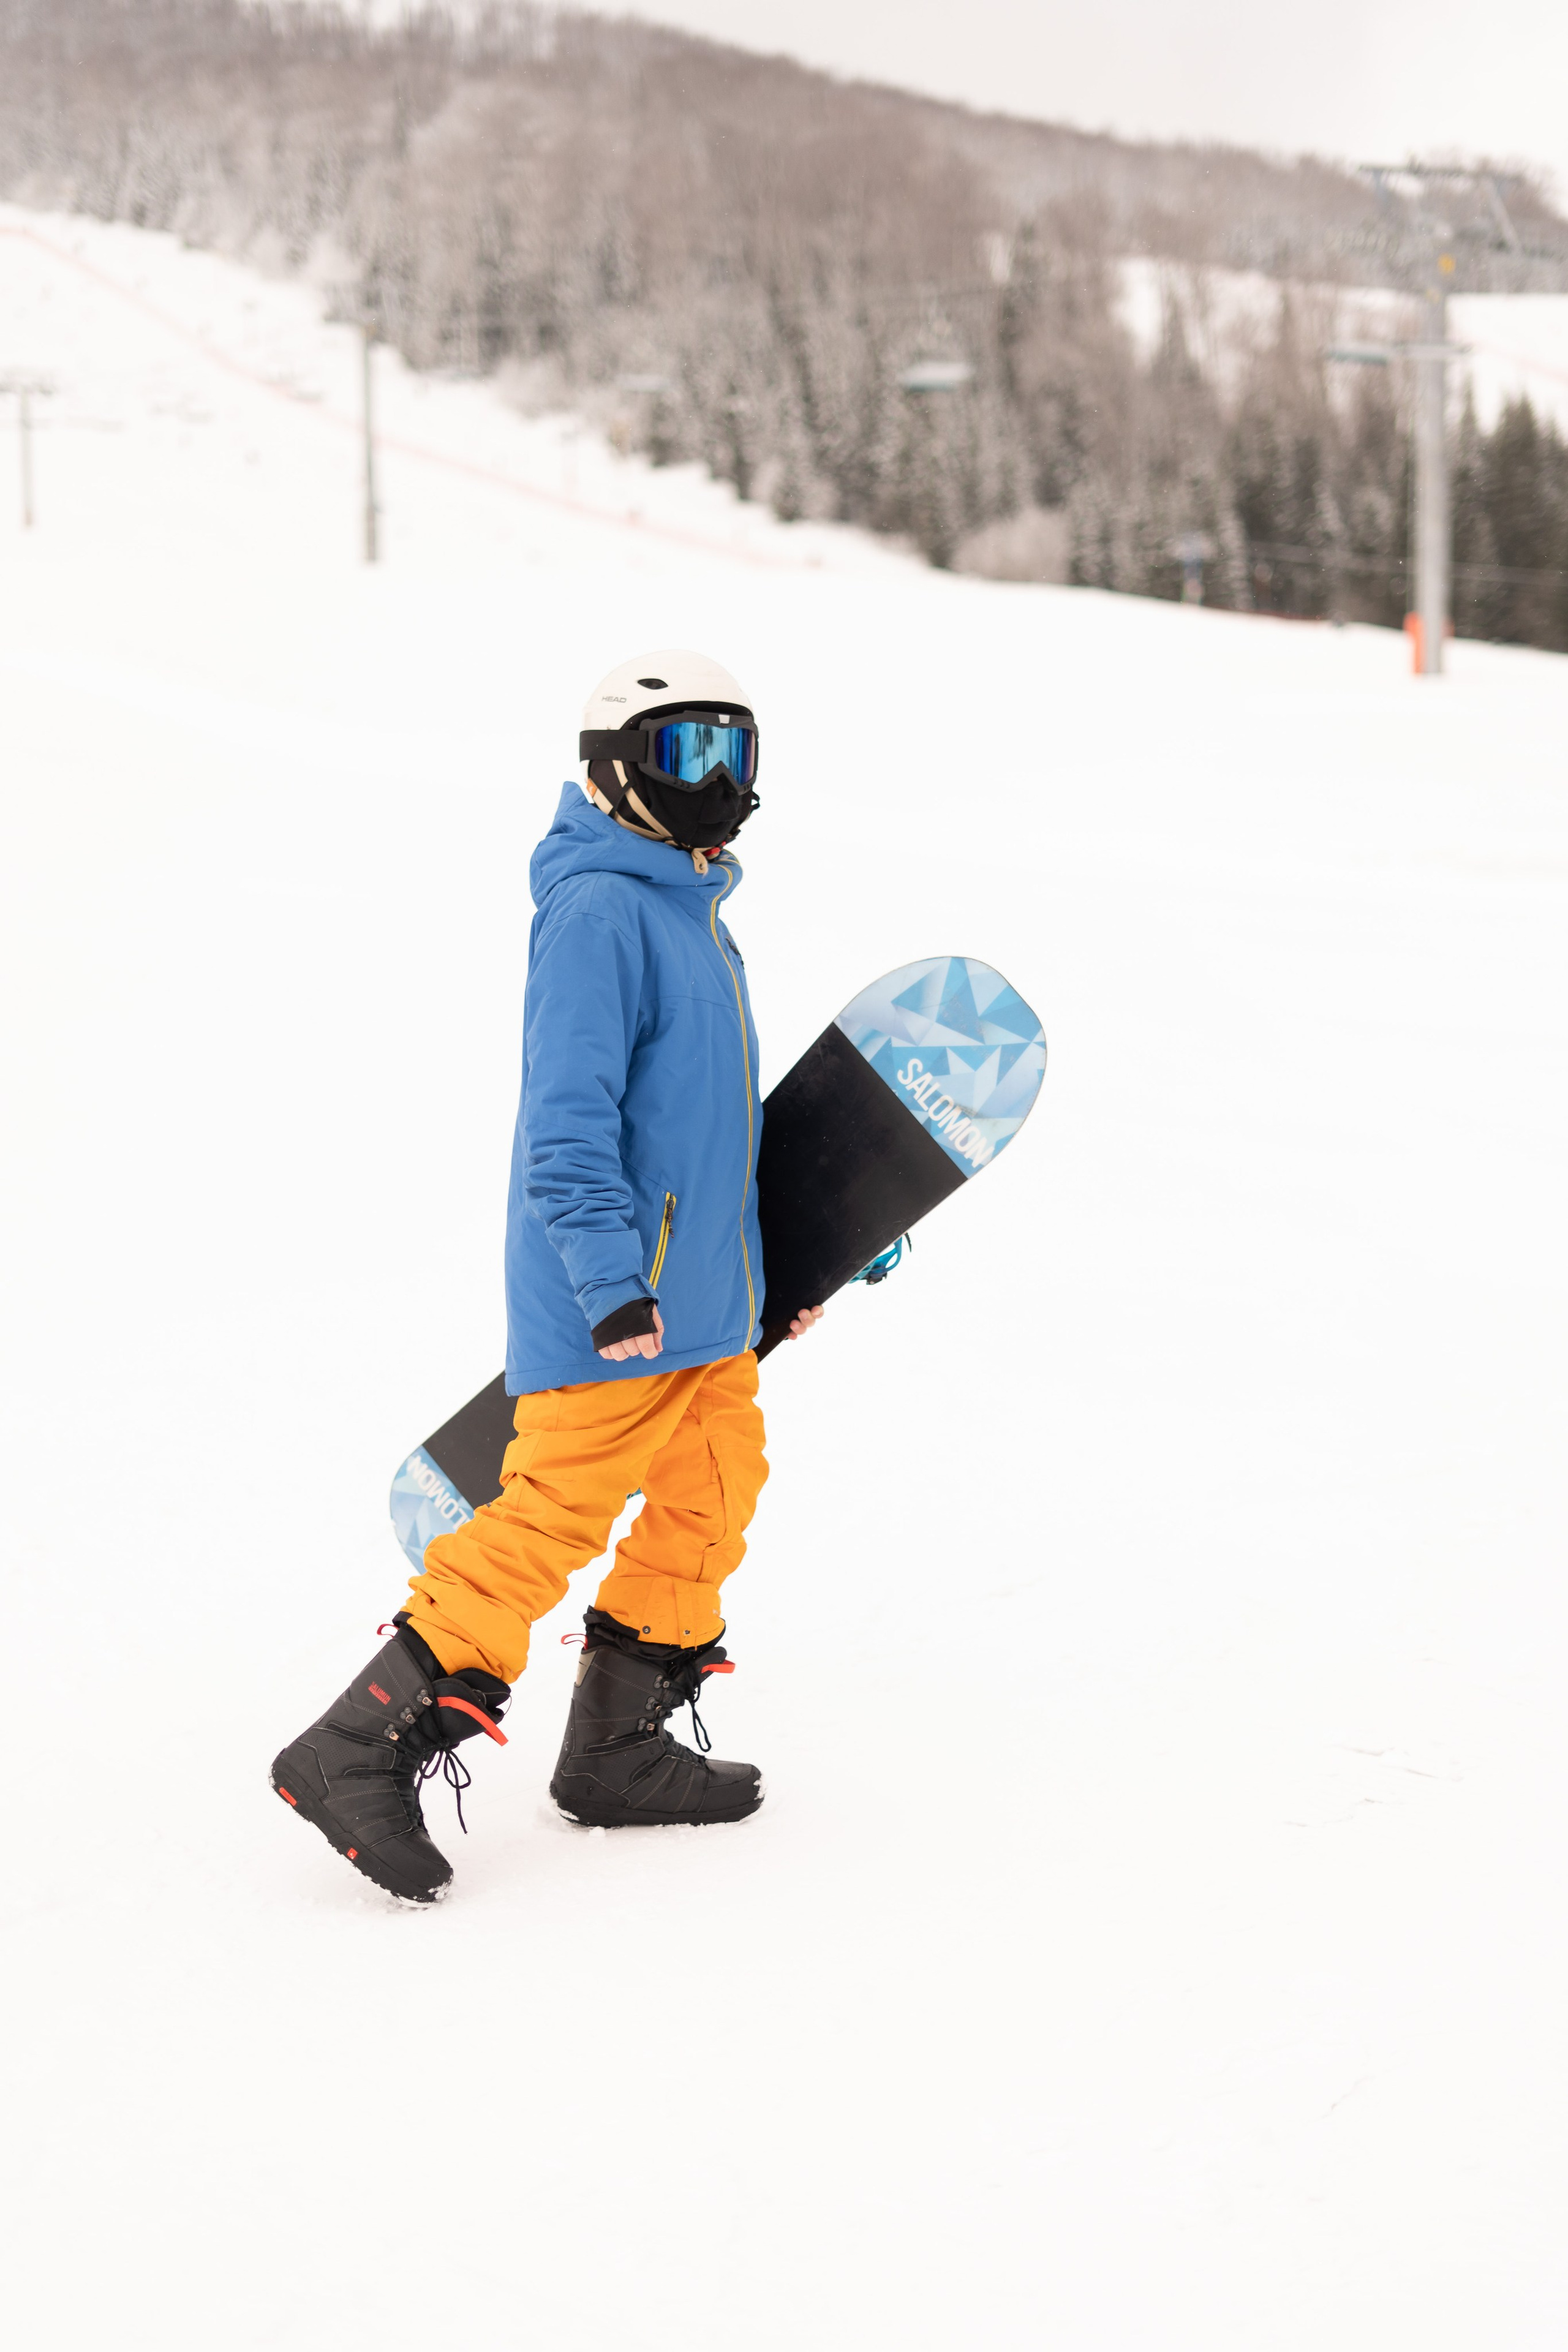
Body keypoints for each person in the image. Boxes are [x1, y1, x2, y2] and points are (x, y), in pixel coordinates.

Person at [271, 650, 821, 1902]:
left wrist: (788, 1247)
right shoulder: (598, 912)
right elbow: (565, 1126)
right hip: (617, 1305)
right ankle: (350, 1748)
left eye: (736, 752)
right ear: (615, 770)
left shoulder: (689, 910)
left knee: (712, 1497)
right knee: (546, 1523)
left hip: (702, 1308)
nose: (718, 781)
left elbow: (698, 1132)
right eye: (687, 753)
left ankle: (616, 1748)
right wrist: (607, 1282)